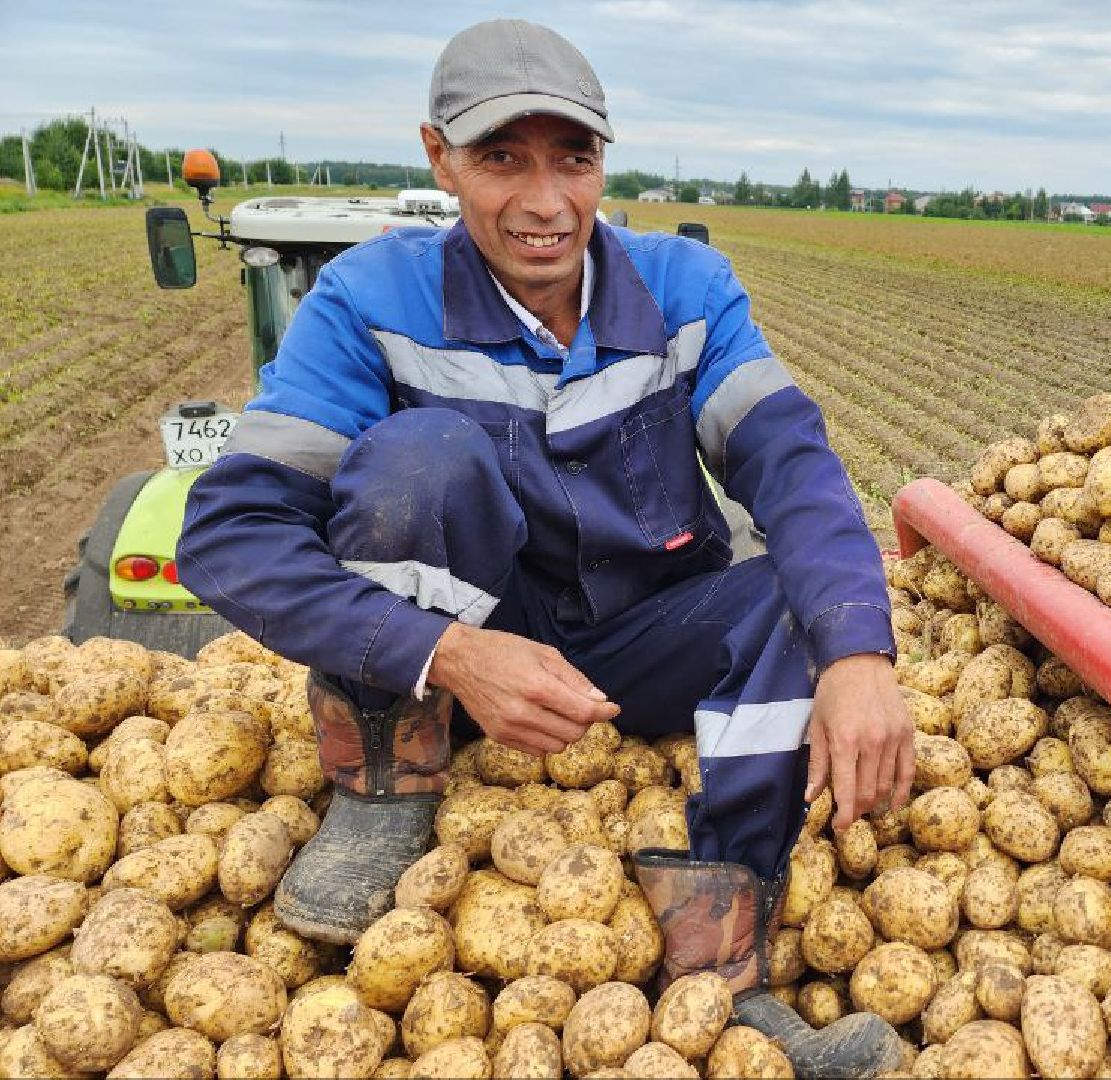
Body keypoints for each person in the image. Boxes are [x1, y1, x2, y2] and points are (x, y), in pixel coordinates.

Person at [178, 18, 911, 1075]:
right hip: (464, 650)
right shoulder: (370, 301)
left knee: (793, 602)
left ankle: (723, 972)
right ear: (440, 157)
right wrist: (451, 656)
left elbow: (790, 464)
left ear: (604, 160)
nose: (545, 200)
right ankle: (387, 775)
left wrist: (857, 651)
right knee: (417, 458)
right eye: (500, 158)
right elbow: (231, 530)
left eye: (573, 158)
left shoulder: (685, 295)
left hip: (638, 640)